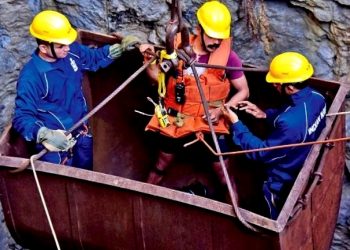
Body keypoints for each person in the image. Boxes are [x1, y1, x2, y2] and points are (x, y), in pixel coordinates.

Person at [140, 1, 249, 193]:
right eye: (213, 37)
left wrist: (221, 110)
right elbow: (157, 80)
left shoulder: (228, 57)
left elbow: (243, 91)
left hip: (210, 121)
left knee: (224, 175)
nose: (217, 43)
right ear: (198, 29)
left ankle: (237, 215)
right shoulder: (175, 47)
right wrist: (150, 63)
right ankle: (141, 199)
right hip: (176, 118)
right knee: (160, 165)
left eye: (221, 38)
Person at [13, 10, 139, 170]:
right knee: (59, 183)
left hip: (81, 132)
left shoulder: (70, 52)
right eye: (61, 46)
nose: (67, 48)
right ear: (44, 48)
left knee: (85, 172)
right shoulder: (31, 77)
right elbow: (22, 117)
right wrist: (44, 134)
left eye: (66, 43)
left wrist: (117, 50)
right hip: (55, 146)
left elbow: (92, 58)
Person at [223, 51, 327, 219]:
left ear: (290, 87)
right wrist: (265, 115)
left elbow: (260, 153)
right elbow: (295, 116)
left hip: (284, 177)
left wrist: (236, 123)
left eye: (277, 85)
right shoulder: (318, 97)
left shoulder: (290, 123)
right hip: (302, 156)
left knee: (268, 206)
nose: (275, 87)